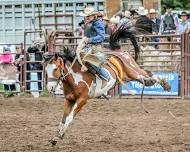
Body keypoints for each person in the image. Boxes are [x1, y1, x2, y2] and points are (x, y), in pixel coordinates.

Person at [79, 6, 109, 81]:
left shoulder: (98, 23)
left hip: (95, 48)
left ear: (93, 15)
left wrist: (89, 39)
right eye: (86, 16)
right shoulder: (88, 23)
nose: (87, 17)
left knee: (92, 61)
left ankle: (107, 77)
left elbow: (101, 37)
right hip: (86, 47)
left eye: (88, 16)